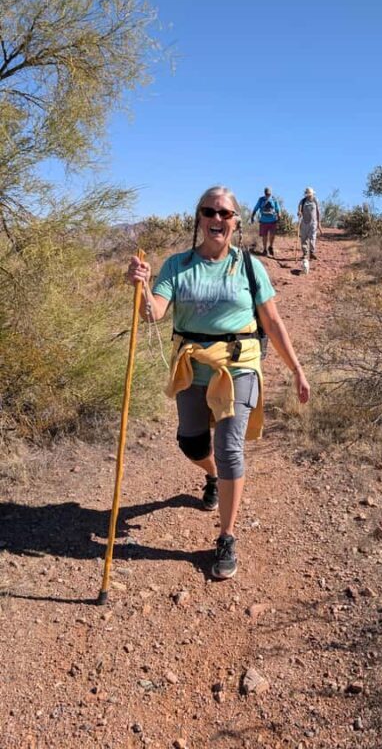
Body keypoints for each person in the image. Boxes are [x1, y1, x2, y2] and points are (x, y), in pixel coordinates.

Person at [127, 186, 310, 580]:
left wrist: (296, 369)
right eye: (209, 211)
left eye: (225, 213)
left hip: (239, 365)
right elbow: (153, 313)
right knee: (191, 442)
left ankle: (225, 536)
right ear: (199, 219)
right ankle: (210, 476)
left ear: (236, 222)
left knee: (230, 450)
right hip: (192, 367)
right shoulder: (177, 265)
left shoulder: (249, 267)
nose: (217, 219)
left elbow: (273, 323)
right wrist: (141, 286)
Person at [251, 187, 281, 257]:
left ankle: (270, 246)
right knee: (264, 236)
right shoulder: (261, 199)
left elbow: (278, 209)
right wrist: (252, 216)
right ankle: (264, 249)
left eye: (269, 194)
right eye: (267, 194)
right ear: (264, 193)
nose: (268, 195)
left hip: (273, 220)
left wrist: (279, 216)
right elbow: (256, 208)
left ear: (271, 193)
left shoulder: (274, 199)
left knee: (272, 235)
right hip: (263, 221)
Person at [297, 187, 322, 260]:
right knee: (304, 239)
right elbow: (299, 208)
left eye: (310, 194)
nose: (310, 196)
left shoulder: (315, 200)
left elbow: (318, 212)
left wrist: (319, 223)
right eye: (308, 194)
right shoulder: (303, 201)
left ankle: (312, 253)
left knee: (312, 238)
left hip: (313, 222)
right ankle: (305, 253)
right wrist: (299, 212)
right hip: (304, 222)